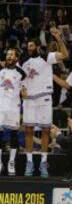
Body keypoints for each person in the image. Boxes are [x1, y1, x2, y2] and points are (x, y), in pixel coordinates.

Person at [21, 27, 69, 178]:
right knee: (28, 130)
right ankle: (29, 162)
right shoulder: (24, 61)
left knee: (45, 131)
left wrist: (58, 38)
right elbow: (21, 80)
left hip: (44, 97)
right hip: (29, 99)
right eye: (28, 46)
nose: (29, 48)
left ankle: (43, 162)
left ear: (38, 46)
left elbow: (65, 55)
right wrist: (21, 90)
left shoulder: (47, 57)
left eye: (31, 45)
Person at [0, 48, 27, 176]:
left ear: (16, 58)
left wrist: (25, 93)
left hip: (13, 106)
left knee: (13, 134)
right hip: (0, 106)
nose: (9, 56)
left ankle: (11, 162)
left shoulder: (21, 72)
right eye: (8, 54)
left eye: (12, 54)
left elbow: (24, 86)